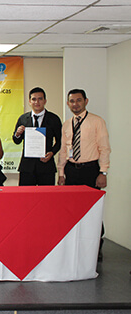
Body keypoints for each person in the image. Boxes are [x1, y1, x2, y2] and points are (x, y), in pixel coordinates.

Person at [57, 89, 110, 261]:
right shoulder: (66, 124)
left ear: (86, 101)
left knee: (92, 209)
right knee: (72, 209)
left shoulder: (97, 121)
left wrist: (103, 172)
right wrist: (61, 173)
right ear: (68, 104)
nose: (75, 104)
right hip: (72, 170)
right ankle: (77, 245)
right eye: (72, 101)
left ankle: (97, 246)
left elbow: (104, 148)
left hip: (90, 170)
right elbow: (63, 151)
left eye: (79, 100)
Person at [12, 87, 62, 185]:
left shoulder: (54, 119)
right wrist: (17, 134)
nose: (37, 102)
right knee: (25, 197)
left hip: (46, 166)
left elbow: (60, 141)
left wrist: (52, 153)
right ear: (29, 101)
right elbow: (16, 141)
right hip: (27, 167)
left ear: (45, 101)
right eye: (34, 99)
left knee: (46, 198)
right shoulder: (23, 119)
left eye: (40, 99)